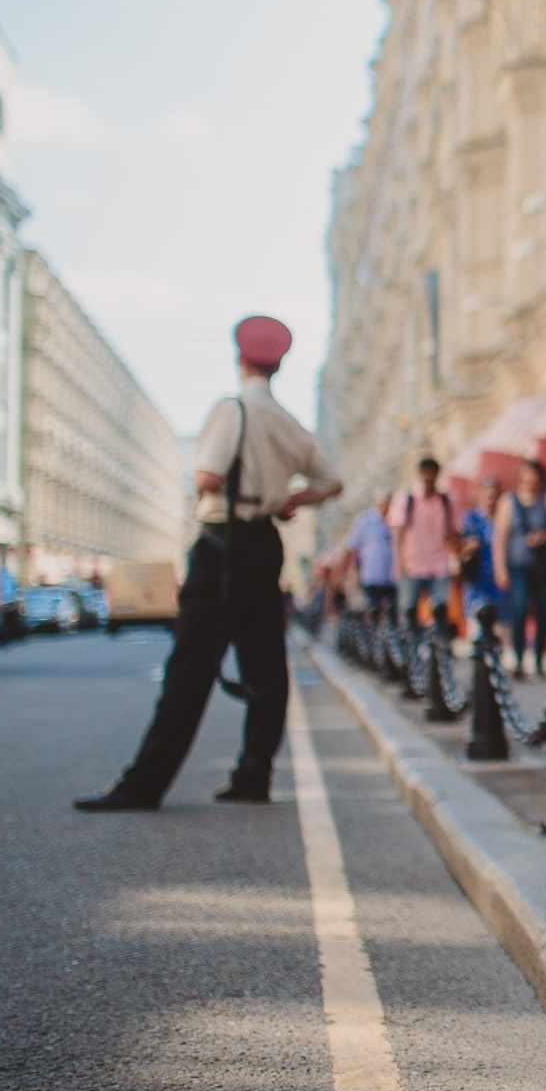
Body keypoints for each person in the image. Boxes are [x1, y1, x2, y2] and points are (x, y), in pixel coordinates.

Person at [76, 315, 344, 809]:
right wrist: (288, 501)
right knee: (267, 669)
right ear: (279, 365)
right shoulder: (291, 424)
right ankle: (253, 775)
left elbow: (204, 477)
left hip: (223, 544)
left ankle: (144, 784)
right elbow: (332, 483)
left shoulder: (231, 408)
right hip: (265, 545)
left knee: (191, 668)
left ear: (239, 359)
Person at [494, 458, 546, 676]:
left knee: (543, 613)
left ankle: (539, 659)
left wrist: (543, 536)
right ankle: (518, 658)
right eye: (526, 479)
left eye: (534, 480)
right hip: (517, 565)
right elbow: (500, 537)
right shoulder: (508, 501)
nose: (530, 484)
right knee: (520, 610)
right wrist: (500, 568)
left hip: (543, 567)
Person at [387, 458, 457, 629]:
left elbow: (452, 533)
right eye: (425, 474)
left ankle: (438, 649)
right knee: (409, 613)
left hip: (439, 565)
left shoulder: (446, 502)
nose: (428, 478)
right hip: (412, 566)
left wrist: (454, 558)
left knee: (440, 611)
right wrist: (399, 564)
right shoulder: (406, 499)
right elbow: (397, 536)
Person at [459, 475, 503, 622]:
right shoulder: (471, 518)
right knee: (477, 619)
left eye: (494, 496)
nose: (491, 499)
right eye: (488, 495)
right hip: (478, 580)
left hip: (498, 581)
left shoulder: (503, 518)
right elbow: (462, 548)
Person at [345, 498, 398, 621]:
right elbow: (351, 547)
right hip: (371, 577)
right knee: (373, 610)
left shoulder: (395, 520)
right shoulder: (365, 521)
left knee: (392, 611)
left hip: (392, 577)